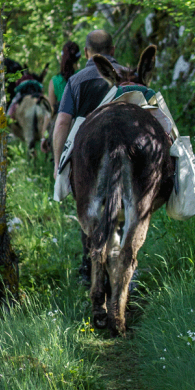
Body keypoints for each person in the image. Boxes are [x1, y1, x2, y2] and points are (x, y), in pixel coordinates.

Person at [52, 30, 120, 285]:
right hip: (125, 153)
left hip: (86, 155)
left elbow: (61, 124)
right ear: (113, 50)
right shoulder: (128, 76)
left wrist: (60, 164)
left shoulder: (77, 80)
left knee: (88, 209)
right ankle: (125, 274)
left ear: (88, 53)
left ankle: (89, 268)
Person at [47, 41, 81, 114]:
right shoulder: (84, 76)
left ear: (63, 56)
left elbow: (52, 109)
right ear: (79, 57)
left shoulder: (54, 80)